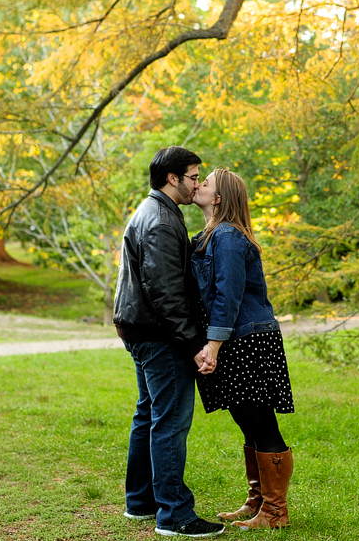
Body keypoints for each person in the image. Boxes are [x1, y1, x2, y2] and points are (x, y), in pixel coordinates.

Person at [113, 146, 225, 538]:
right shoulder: (160, 219)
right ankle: (174, 515)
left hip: (139, 329)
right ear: (172, 178)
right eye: (194, 176)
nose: (198, 183)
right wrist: (195, 343)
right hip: (158, 335)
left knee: (148, 414)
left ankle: (141, 502)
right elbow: (166, 293)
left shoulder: (153, 210)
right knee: (170, 422)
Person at [190, 168, 295, 530]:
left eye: (205, 184)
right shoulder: (208, 236)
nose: (197, 185)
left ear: (218, 199)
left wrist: (213, 345)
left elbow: (229, 296)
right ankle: (258, 502)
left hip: (248, 339)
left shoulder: (229, 237)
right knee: (246, 420)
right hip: (238, 339)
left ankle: (275, 512)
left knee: (260, 421)